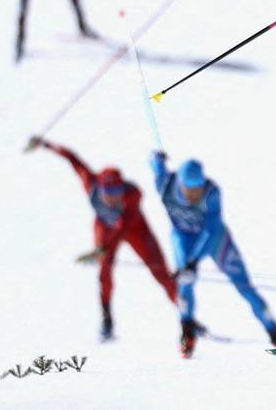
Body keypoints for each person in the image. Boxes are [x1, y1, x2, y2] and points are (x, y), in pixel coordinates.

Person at [28, 137, 178, 341]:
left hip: (134, 228)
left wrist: (102, 249)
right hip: (105, 228)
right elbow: (73, 159)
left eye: (117, 191)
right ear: (100, 187)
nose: (113, 197)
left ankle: (186, 316)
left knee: (160, 272)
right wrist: (45, 145)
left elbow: (124, 223)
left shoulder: (133, 194)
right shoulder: (90, 183)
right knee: (104, 273)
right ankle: (107, 320)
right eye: (109, 192)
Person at [149, 152, 276, 358]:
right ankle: (187, 331)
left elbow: (211, 228)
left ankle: (275, 333)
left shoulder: (212, 192)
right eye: (189, 189)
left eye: (198, 188)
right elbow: (155, 165)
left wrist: (193, 262)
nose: (194, 194)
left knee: (244, 286)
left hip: (215, 240)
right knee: (185, 285)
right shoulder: (164, 184)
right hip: (184, 239)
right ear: (179, 183)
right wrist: (157, 158)